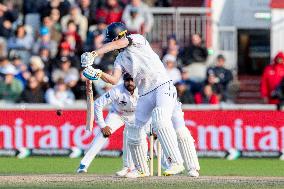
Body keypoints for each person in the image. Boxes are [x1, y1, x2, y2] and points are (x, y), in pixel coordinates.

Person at [81, 22, 185, 178]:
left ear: (120, 35)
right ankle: (141, 168)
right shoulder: (120, 59)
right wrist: (97, 73)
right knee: (134, 129)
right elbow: (114, 80)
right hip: (145, 93)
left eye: (111, 40)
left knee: (161, 119)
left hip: (163, 85)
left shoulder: (137, 39)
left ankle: (176, 162)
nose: (111, 44)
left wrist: (94, 53)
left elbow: (117, 43)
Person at [76, 74, 200, 177]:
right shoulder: (117, 90)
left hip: (138, 116)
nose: (129, 83)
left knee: (157, 137)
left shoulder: (145, 90)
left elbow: (153, 107)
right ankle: (84, 165)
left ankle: (168, 166)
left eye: (132, 80)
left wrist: (154, 126)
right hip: (118, 115)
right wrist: (102, 125)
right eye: (127, 80)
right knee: (102, 136)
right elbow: (97, 104)